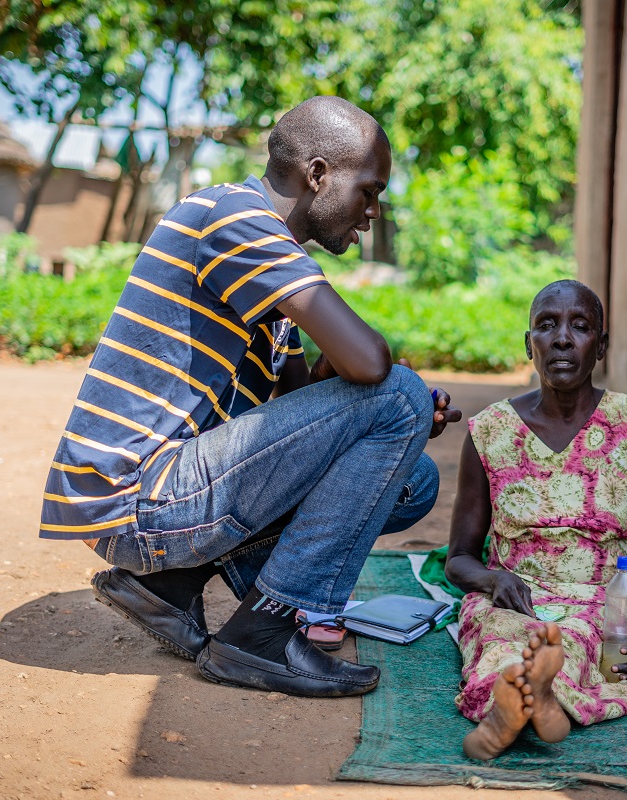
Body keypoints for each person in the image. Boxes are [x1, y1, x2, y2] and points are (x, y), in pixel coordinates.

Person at [40, 96, 461, 698]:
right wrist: (395, 400)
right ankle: (261, 636)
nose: (373, 211)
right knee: (396, 395)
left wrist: (376, 411)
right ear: (317, 175)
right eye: (368, 190)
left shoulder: (268, 263)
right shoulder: (234, 216)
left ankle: (170, 588)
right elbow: (370, 364)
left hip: (171, 490)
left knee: (412, 476)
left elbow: (289, 413)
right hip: (140, 497)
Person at [444, 280, 627, 760]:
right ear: (528, 344)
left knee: (574, 639)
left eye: (581, 326)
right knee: (501, 641)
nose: (563, 339)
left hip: (602, 598)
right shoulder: (489, 432)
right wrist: (492, 580)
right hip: (514, 595)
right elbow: (458, 559)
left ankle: (530, 698)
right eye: (547, 326)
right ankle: (527, 700)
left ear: (601, 346)